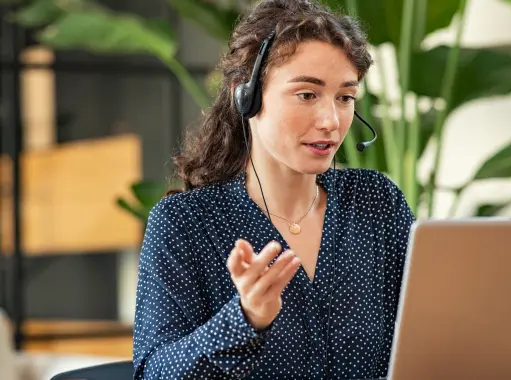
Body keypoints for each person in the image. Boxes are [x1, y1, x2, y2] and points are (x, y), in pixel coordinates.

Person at [132, 0, 415, 379]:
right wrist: (244, 318)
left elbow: (429, 338)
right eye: (306, 95)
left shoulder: (376, 202)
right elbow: (153, 373)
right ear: (245, 96)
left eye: (345, 98)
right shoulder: (185, 224)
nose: (331, 120)